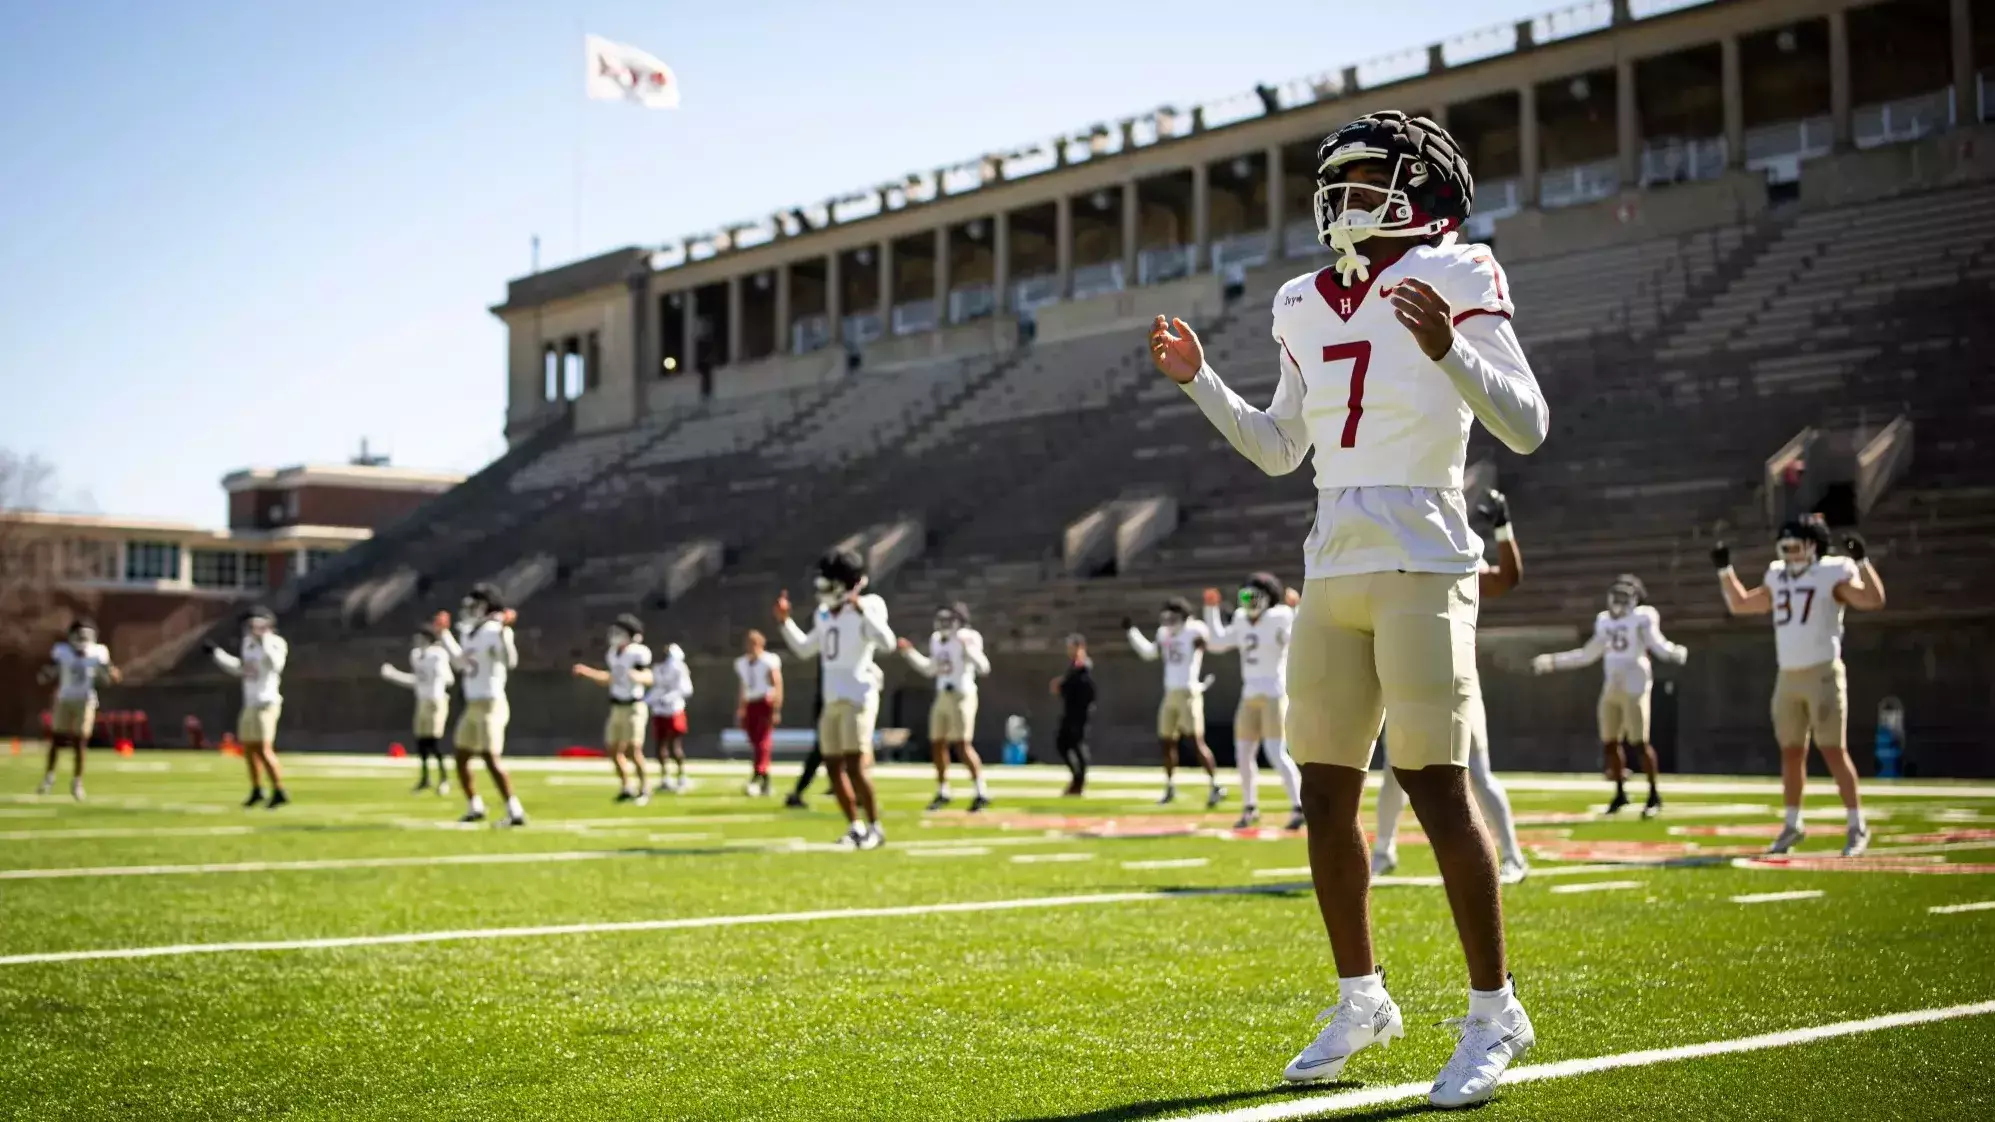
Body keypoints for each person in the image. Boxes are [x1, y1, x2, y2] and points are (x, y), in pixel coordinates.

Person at [1150, 110, 1548, 1105]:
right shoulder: (1299, 299)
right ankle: (1361, 997)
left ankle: (1495, 1011)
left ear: (1425, 187)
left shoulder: (1459, 269)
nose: (1344, 197)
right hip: (1333, 558)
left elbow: (1528, 425)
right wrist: (1202, 384)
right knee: (1324, 792)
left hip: (1424, 553)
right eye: (1338, 182)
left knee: (1436, 784)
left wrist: (1450, 351)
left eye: (1369, 179)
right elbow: (1280, 447)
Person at [1376, 491, 1530, 883]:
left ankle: (1512, 854)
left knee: (1476, 771)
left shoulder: (1456, 555)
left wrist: (1503, 529)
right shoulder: (1395, 555)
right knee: (1394, 769)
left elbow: (1506, 579)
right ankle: (1383, 850)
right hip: (1407, 673)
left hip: (1455, 673)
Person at [1714, 516, 1886, 856]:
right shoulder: (1777, 575)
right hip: (1788, 675)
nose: (1790, 551)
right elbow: (1741, 604)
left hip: (1822, 672)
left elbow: (1872, 599)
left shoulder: (1830, 573)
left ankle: (1857, 825)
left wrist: (1862, 562)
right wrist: (1724, 571)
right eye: (1787, 545)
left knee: (1833, 750)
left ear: (1814, 545)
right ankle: (1793, 824)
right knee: (1791, 752)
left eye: (1797, 544)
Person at [1532, 573, 1687, 818]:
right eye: (1616, 596)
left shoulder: (1643, 617)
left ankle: (1653, 794)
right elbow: (1587, 654)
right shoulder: (1604, 620)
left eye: (1625, 596)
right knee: (1609, 742)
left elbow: (1656, 643)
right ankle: (1620, 793)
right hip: (1612, 686)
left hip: (1636, 686)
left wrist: (1671, 652)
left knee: (1639, 743)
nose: (1619, 601)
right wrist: (1553, 662)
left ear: (1636, 598)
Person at [777, 548, 894, 848]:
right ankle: (855, 826)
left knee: (854, 766)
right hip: (831, 698)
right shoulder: (824, 613)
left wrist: (862, 611)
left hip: (858, 696)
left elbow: (887, 643)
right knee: (832, 767)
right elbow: (805, 649)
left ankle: (875, 828)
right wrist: (785, 622)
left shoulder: (870, 605)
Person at [1202, 574, 1303, 830]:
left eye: (1254, 597)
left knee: (1275, 752)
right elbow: (1216, 643)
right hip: (1249, 694)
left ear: (1268, 597)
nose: (1249, 602)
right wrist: (1211, 610)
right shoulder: (1240, 618)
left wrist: (1297, 611)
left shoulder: (1280, 616)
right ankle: (1250, 807)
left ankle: (1299, 806)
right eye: (1245, 597)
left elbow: (1296, 641)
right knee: (1243, 753)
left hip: (1273, 693)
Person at [438, 584, 527, 826]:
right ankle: (474, 806)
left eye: (474, 605)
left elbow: (510, 661)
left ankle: (515, 810)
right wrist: (444, 635)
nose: (469, 610)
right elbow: (461, 664)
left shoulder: (494, 630)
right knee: (461, 756)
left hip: (491, 703)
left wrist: (504, 633)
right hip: (472, 704)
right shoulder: (470, 632)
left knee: (490, 757)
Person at [1125, 597, 1224, 807]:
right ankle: (1170, 786)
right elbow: (1149, 652)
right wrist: (1132, 632)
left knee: (1196, 742)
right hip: (1170, 692)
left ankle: (1215, 785)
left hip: (1188, 692)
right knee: (1166, 741)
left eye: (1173, 616)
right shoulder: (1164, 633)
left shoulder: (1194, 629)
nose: (1169, 621)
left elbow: (1208, 643)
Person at [898, 601, 992, 812]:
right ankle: (943, 790)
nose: (943, 624)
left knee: (962, 744)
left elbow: (984, 667)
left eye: (948, 620)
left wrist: (968, 649)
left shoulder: (969, 637)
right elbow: (930, 669)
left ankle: (981, 791)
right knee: (937, 743)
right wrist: (910, 653)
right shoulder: (936, 639)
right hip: (942, 694)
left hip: (962, 695)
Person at [208, 606, 290, 809]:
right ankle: (257, 789)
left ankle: (279, 790)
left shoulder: (276, 642)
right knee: (248, 748)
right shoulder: (248, 643)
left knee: (263, 748)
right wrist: (217, 654)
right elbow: (242, 669)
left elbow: (276, 665)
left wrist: (264, 640)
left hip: (266, 702)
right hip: (250, 702)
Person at [571, 613, 655, 804]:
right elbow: (609, 679)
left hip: (633, 706)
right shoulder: (613, 653)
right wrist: (587, 672)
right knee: (613, 750)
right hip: (617, 706)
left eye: (620, 631)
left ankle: (645, 789)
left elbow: (649, 677)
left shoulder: (637, 652)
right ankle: (627, 787)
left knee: (633, 750)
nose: (615, 635)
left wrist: (638, 677)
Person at [37, 618, 117, 800]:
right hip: (65, 698)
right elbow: (52, 668)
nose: (82, 639)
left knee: (80, 742)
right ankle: (49, 777)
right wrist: (47, 674)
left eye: (85, 635)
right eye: (79, 635)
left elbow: (110, 673)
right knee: (57, 740)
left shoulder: (98, 652)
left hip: (85, 700)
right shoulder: (62, 651)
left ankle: (77, 782)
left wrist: (111, 674)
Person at [378, 615, 454, 795]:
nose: (417, 640)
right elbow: (417, 681)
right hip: (422, 700)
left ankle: (444, 778)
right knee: (421, 742)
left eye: (420, 636)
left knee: (433, 742)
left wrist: (438, 674)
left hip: (436, 701)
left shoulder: (438, 654)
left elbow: (449, 679)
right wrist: (393, 675)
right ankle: (425, 778)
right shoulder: (416, 655)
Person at [735, 629, 783, 796]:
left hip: (765, 702)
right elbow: (743, 687)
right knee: (755, 742)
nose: (751, 647)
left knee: (763, 741)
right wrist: (741, 708)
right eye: (749, 643)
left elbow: (777, 685)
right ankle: (765, 782)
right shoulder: (741, 663)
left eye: (754, 643)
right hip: (751, 703)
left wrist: (776, 709)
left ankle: (757, 775)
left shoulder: (769, 661)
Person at [1049, 634, 1096, 796]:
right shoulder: (1074, 666)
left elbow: (1084, 688)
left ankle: (1079, 780)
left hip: (1079, 712)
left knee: (1076, 744)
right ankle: (1077, 777)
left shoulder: (1084, 666)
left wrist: (1063, 685)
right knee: (1063, 743)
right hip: (1070, 711)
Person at [647, 640, 694, 794]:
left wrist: (669, 697)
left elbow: (686, 689)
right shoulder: (657, 668)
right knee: (660, 746)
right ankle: (665, 778)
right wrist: (648, 700)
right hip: (659, 711)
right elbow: (656, 688)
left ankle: (681, 776)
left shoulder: (679, 668)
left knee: (675, 746)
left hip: (674, 710)